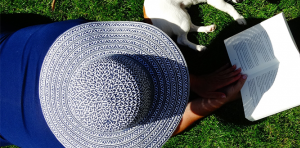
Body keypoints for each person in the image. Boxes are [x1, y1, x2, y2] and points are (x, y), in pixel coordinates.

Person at [0, 18, 247, 147]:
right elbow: (156, 131)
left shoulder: (69, 33)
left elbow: (152, 130)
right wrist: (209, 102)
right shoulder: (71, 35)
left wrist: (194, 83)